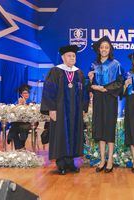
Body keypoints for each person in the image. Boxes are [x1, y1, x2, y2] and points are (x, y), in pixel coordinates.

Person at [41, 45, 88, 175]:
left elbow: (84, 92)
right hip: (60, 110)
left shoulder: (79, 73)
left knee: (74, 134)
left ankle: (71, 162)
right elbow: (49, 91)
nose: (72, 58)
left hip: (76, 112)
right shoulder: (56, 71)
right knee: (61, 135)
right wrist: (51, 109)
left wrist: (84, 107)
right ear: (63, 57)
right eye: (69, 55)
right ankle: (61, 163)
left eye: (74, 56)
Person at [88, 36, 124, 173]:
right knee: (100, 128)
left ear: (110, 49)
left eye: (106, 47)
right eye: (102, 47)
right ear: (99, 49)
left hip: (110, 98)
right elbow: (88, 83)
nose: (104, 49)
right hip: (98, 99)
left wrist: (105, 88)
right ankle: (102, 159)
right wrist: (91, 83)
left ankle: (110, 160)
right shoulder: (93, 65)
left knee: (109, 128)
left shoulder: (116, 64)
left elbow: (120, 81)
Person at [8, 84, 33, 150]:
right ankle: (21, 147)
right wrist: (19, 105)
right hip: (18, 122)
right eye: (24, 93)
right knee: (14, 128)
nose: (26, 94)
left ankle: (19, 147)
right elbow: (13, 110)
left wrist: (25, 105)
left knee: (19, 129)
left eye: (28, 93)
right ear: (21, 94)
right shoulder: (18, 101)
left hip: (28, 122)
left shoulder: (31, 102)